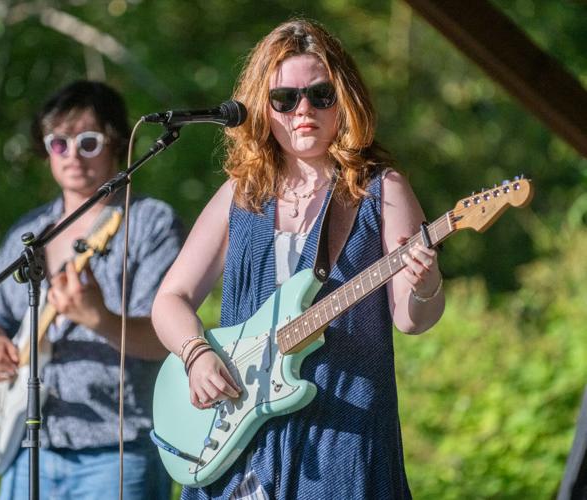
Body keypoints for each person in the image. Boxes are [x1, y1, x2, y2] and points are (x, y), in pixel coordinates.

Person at [151, 19, 445, 499]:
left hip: (342, 440)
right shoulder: (240, 196)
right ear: (262, 109)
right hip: (236, 437)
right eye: (284, 99)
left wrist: (426, 284)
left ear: (344, 100)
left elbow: (413, 321)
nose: (302, 109)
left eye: (320, 95)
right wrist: (196, 354)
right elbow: (170, 299)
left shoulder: (380, 190)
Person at [0, 80, 182, 499]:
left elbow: (168, 338)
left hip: (117, 451)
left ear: (117, 143)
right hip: (27, 449)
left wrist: (99, 319)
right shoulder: (28, 234)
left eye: (88, 141)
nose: (73, 155)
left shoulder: (151, 224)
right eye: (59, 143)